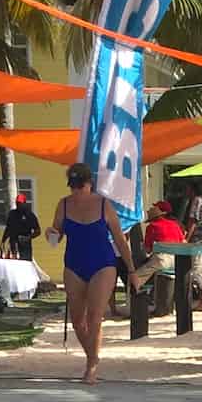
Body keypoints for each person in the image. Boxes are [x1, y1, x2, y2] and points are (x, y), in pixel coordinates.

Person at [46, 163, 145, 383]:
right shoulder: (63, 205)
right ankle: (93, 356)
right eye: (73, 186)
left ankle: (91, 367)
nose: (77, 191)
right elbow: (57, 236)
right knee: (77, 321)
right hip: (74, 264)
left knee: (94, 317)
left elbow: (120, 239)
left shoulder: (103, 205)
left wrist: (131, 271)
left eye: (80, 186)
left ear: (90, 183)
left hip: (103, 264)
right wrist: (51, 233)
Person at [2, 192, 40, 262]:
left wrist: (28, 237)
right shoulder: (12, 214)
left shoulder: (30, 215)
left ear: (25, 203)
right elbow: (8, 228)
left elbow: (38, 231)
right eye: (17, 203)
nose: (18, 205)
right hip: (13, 244)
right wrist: (3, 241)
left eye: (20, 203)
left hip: (25, 245)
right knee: (13, 264)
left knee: (25, 264)